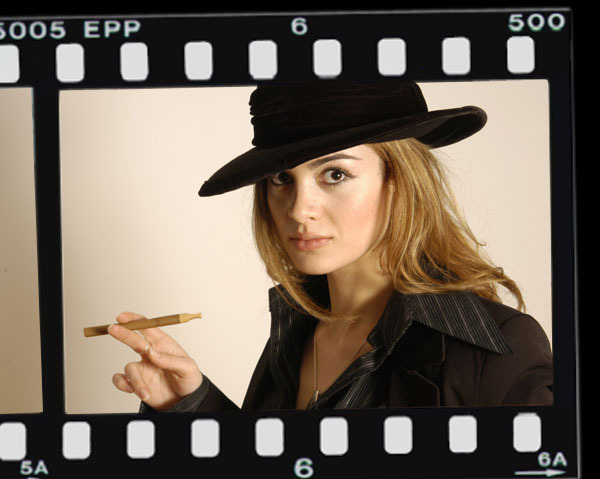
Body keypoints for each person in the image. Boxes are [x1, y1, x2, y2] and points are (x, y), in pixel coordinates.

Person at [107, 81, 553, 411]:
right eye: (282, 178)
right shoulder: (297, 329)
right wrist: (189, 403)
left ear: (399, 182)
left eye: (335, 174)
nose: (299, 209)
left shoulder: (495, 351)